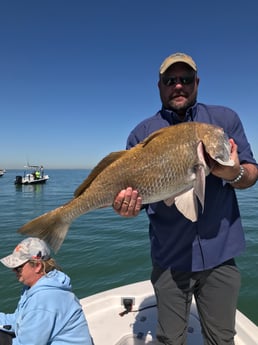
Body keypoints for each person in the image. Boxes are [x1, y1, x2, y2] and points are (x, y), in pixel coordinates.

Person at [113, 52, 258, 344]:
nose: (178, 85)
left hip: (221, 257)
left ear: (197, 82)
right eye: (170, 80)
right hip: (170, 260)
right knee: (170, 339)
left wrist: (232, 173)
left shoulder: (224, 120)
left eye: (186, 79)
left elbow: (251, 173)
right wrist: (126, 207)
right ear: (159, 86)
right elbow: (134, 199)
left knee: (223, 339)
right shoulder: (141, 134)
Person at [0, 237, 93, 345]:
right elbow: (17, 319)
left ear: (37, 266)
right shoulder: (35, 286)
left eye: (18, 267)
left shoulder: (43, 300)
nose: (13, 270)